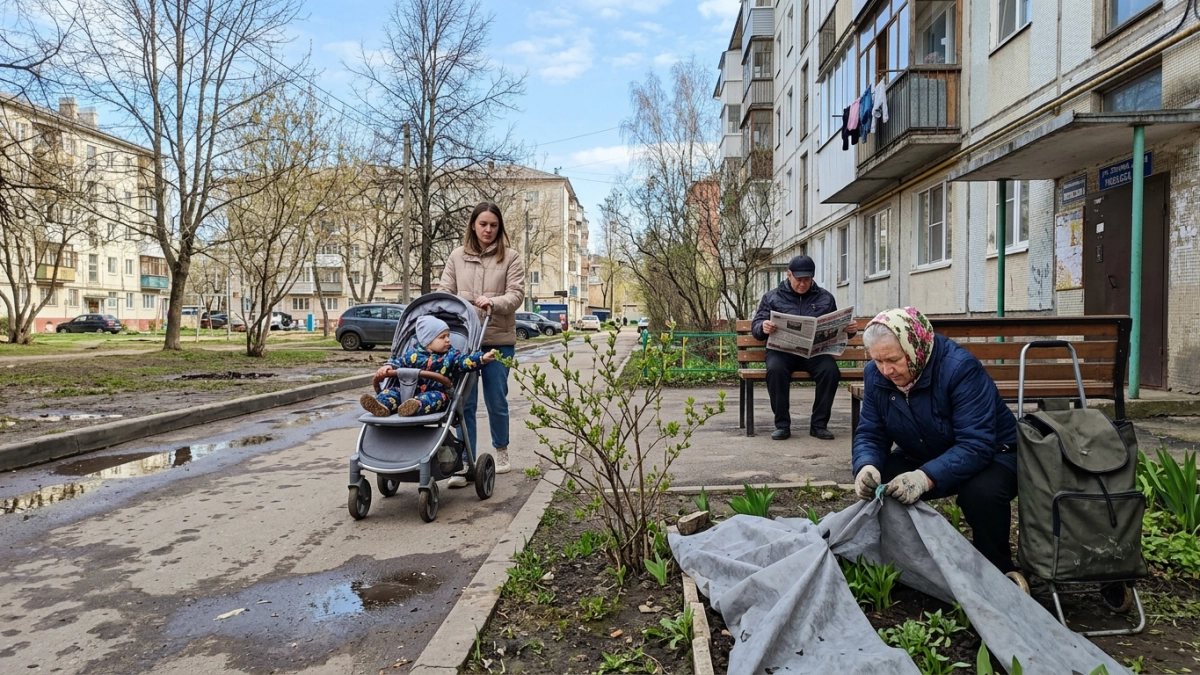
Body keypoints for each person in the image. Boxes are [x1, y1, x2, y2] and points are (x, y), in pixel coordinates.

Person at [851, 307, 1020, 576]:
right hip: (925, 450)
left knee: (980, 495)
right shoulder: (875, 374)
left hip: (993, 453)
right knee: (881, 483)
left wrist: (924, 477)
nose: (886, 370)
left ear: (915, 347)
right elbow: (871, 432)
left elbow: (975, 444)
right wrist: (866, 466)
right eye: (878, 360)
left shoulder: (960, 369)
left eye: (893, 360)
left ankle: (998, 572)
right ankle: (906, 566)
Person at [439, 201, 525, 486]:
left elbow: (516, 294)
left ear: (499, 228)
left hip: (497, 340)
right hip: (465, 342)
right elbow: (445, 291)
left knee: (496, 399)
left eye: (493, 225)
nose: (488, 229)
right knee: (463, 403)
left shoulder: (510, 257)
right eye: (483, 224)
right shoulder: (457, 257)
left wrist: (494, 303)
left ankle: (501, 451)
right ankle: (466, 462)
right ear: (473, 226)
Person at [751, 255, 859, 441]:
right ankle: (782, 425)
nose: (802, 284)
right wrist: (763, 326)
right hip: (782, 352)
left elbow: (837, 329)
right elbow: (756, 327)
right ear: (789, 275)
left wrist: (849, 330)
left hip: (814, 353)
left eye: (807, 280)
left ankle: (819, 425)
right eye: (799, 279)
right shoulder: (772, 297)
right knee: (775, 370)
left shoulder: (825, 298)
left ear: (812, 277)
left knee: (830, 371)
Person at [360, 315, 496, 418]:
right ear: (427, 340)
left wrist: (482, 358)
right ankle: (382, 406)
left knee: (433, 398)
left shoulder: (452, 355)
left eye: (448, 336)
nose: (448, 340)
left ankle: (414, 407)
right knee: (392, 392)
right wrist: (389, 366)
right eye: (442, 337)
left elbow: (465, 361)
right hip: (410, 391)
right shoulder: (413, 354)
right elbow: (399, 362)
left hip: (438, 393)